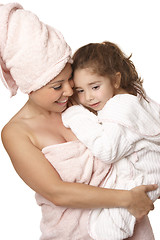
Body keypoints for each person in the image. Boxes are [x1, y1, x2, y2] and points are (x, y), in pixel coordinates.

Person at [0, 3, 157, 240]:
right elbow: (57, 192)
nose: (69, 90)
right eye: (56, 86)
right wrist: (129, 199)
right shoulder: (16, 133)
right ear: (30, 87)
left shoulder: (82, 99)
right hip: (75, 234)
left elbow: (136, 119)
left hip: (131, 226)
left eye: (69, 79)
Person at [62, 41, 160, 239]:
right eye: (80, 90)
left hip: (138, 182)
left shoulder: (120, 108)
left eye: (95, 87)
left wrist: (75, 114)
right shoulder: (136, 96)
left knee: (106, 231)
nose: (88, 97)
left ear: (116, 80)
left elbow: (106, 150)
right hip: (146, 176)